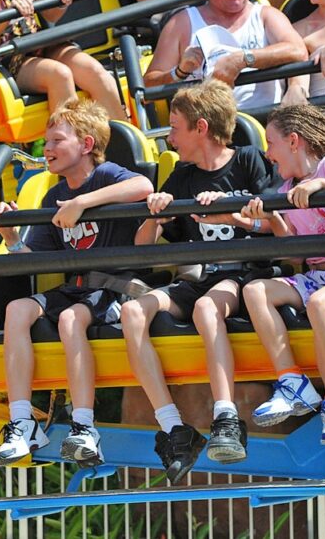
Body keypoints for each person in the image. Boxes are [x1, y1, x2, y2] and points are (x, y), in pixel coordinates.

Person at [120, 79, 277, 483]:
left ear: (201, 128)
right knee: (133, 312)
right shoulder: (182, 177)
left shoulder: (248, 161)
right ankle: (174, 426)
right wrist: (153, 215)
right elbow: (143, 250)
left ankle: (226, 417)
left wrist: (232, 216)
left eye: (174, 127)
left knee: (208, 307)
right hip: (199, 278)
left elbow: (278, 226)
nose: (168, 136)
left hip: (243, 275)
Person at [0, 100, 153, 467]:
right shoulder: (51, 196)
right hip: (75, 287)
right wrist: (11, 236)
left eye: (56, 141)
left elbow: (143, 185)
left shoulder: (108, 176)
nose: (46, 150)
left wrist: (83, 203)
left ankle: (84, 426)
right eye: (45, 142)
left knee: (69, 319)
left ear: (87, 145)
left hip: (113, 289)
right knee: (17, 309)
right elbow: (33, 258)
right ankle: (21, 421)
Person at [238, 104, 325, 444]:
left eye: (271, 143)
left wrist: (322, 186)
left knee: (318, 304)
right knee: (255, 291)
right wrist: (271, 218)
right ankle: (292, 381)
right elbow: (295, 251)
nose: (268, 154)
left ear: (294, 141)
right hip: (314, 272)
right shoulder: (286, 189)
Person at [144, 0, 308, 111]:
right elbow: (148, 87)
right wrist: (179, 72)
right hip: (205, 127)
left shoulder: (266, 15)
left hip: (262, 123)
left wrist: (243, 59)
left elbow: (298, 50)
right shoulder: (182, 23)